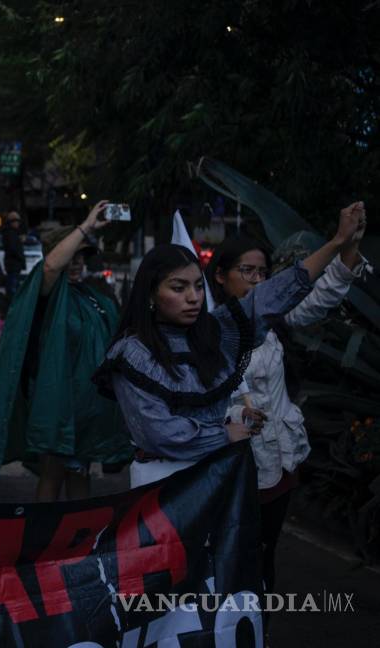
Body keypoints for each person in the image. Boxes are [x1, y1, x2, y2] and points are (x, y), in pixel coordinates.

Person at [93, 205, 364, 488]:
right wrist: (223, 435)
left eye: (198, 286)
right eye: (178, 287)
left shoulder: (217, 331)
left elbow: (274, 295)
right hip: (164, 486)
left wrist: (336, 244)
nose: (193, 297)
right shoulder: (133, 354)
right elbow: (158, 432)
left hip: (219, 477)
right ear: (151, 293)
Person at [206, 203, 367, 600]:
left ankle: (258, 630)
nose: (257, 280)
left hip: (278, 466)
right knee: (228, 561)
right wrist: (236, 414)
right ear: (221, 276)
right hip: (234, 471)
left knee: (264, 557)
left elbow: (321, 296)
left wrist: (349, 246)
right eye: (247, 271)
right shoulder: (209, 331)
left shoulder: (273, 323)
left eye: (263, 272)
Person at [0, 202, 133, 500]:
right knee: (53, 472)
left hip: (85, 410)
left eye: (81, 256)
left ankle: (77, 538)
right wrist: (85, 225)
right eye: (70, 255)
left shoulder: (91, 295)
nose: (76, 263)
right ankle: (43, 537)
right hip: (56, 405)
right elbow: (50, 267)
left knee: (79, 473)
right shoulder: (46, 291)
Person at [3, 211, 25, 297]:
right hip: (13, 263)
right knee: (12, 287)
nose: (18, 223)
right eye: (16, 221)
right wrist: (20, 258)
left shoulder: (12, 233)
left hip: (13, 263)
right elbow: (13, 248)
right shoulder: (10, 233)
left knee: (13, 285)